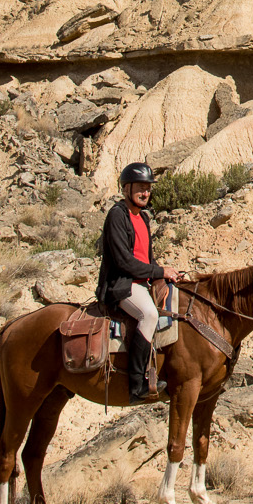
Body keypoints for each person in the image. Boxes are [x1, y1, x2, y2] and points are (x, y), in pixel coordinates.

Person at [97, 162, 187, 399]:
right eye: (140, 188)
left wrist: (165, 273)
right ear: (126, 189)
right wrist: (158, 272)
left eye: (148, 188)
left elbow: (146, 258)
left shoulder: (143, 217)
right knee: (149, 315)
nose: (145, 193)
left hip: (140, 282)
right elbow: (124, 262)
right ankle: (137, 384)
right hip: (122, 284)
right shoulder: (117, 215)